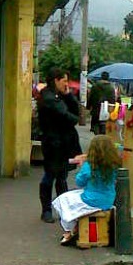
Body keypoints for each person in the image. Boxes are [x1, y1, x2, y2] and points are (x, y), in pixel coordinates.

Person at [52, 134, 121, 245]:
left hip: (91, 200)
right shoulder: (114, 164)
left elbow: (80, 182)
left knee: (63, 199)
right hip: (108, 199)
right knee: (74, 196)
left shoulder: (89, 165)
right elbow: (119, 148)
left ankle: (69, 230)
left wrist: (82, 165)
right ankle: (75, 228)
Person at [37, 67, 82, 223]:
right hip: (52, 142)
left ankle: (63, 209)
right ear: (56, 80)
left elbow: (76, 111)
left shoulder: (60, 95)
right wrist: (73, 117)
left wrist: (68, 95)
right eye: (64, 81)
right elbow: (68, 116)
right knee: (50, 175)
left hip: (64, 143)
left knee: (62, 176)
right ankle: (46, 210)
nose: (66, 84)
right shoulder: (48, 97)